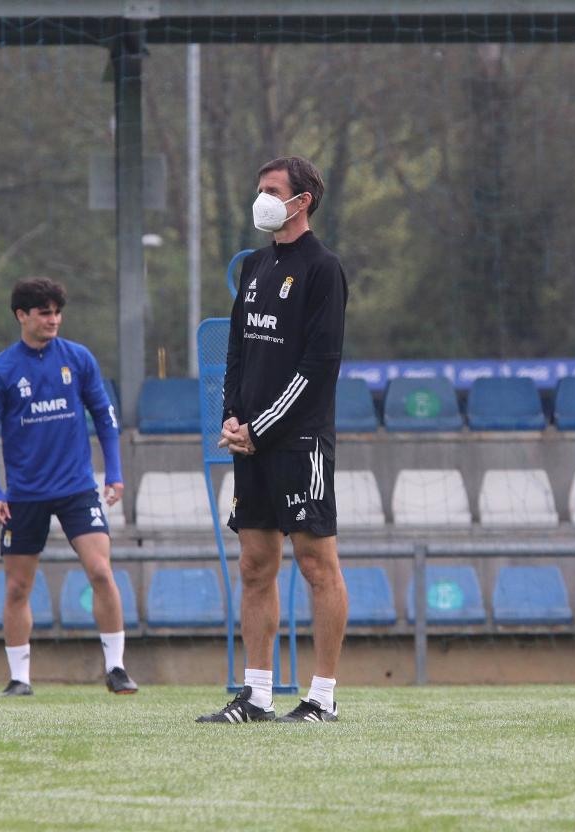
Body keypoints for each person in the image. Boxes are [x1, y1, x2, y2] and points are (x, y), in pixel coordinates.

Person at [197, 156, 349, 724]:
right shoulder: (257, 265)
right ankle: (256, 697)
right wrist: (234, 416)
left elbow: (318, 365)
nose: (260, 198)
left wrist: (263, 428)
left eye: (270, 190)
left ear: (301, 200)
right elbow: (237, 349)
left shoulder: (323, 269)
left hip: (299, 443)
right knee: (256, 564)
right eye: (259, 188)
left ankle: (322, 698)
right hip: (251, 444)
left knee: (316, 565)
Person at [0, 277, 138, 697]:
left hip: (77, 489)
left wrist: (114, 473)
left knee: (101, 571)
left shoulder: (78, 359)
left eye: (57, 312)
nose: (53, 320)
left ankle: (117, 668)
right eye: (44, 312)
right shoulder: (1, 371)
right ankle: (19, 677)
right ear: (22, 316)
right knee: (17, 586)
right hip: (24, 494)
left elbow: (105, 417)